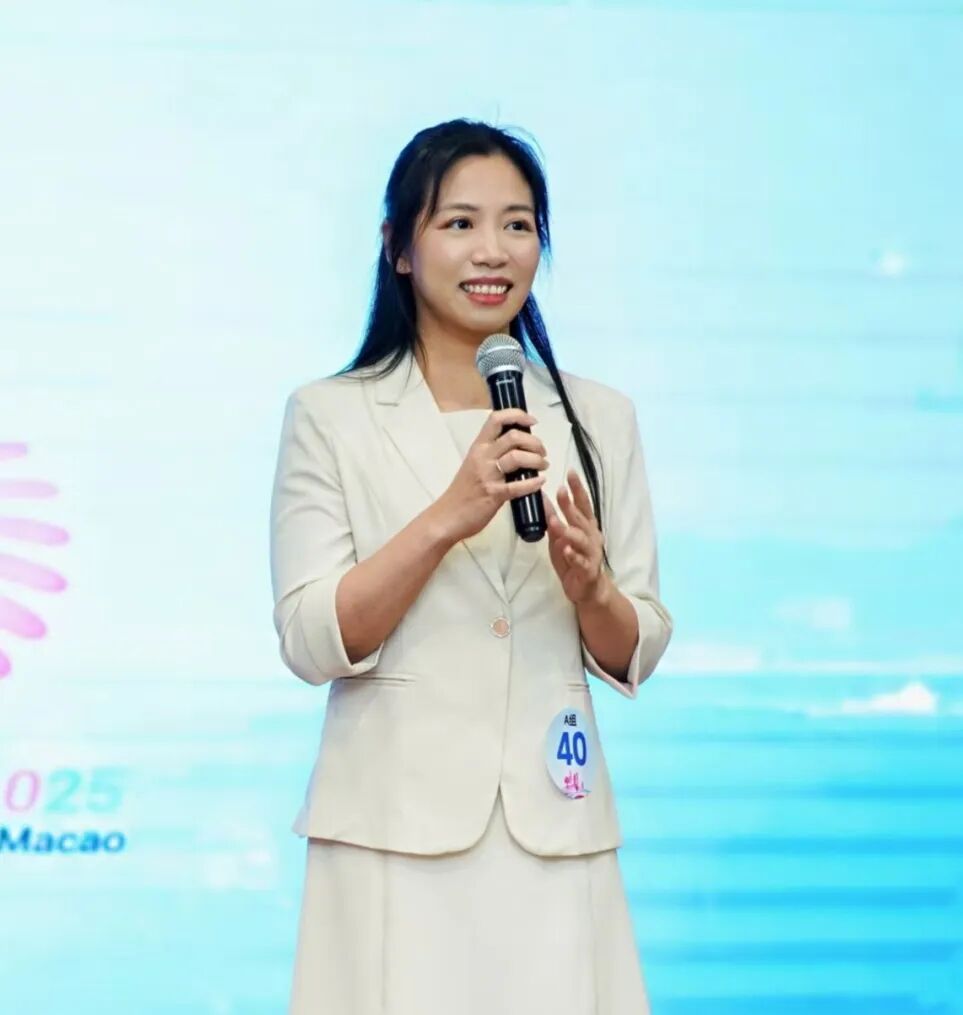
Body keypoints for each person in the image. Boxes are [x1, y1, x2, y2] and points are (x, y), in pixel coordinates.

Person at [269, 117, 674, 1015]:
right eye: (458, 223)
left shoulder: (598, 417)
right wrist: (446, 518)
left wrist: (592, 590)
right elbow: (309, 638)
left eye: (517, 224)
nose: (493, 250)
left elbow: (637, 643)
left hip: (553, 822)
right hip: (389, 832)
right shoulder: (330, 415)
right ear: (398, 247)